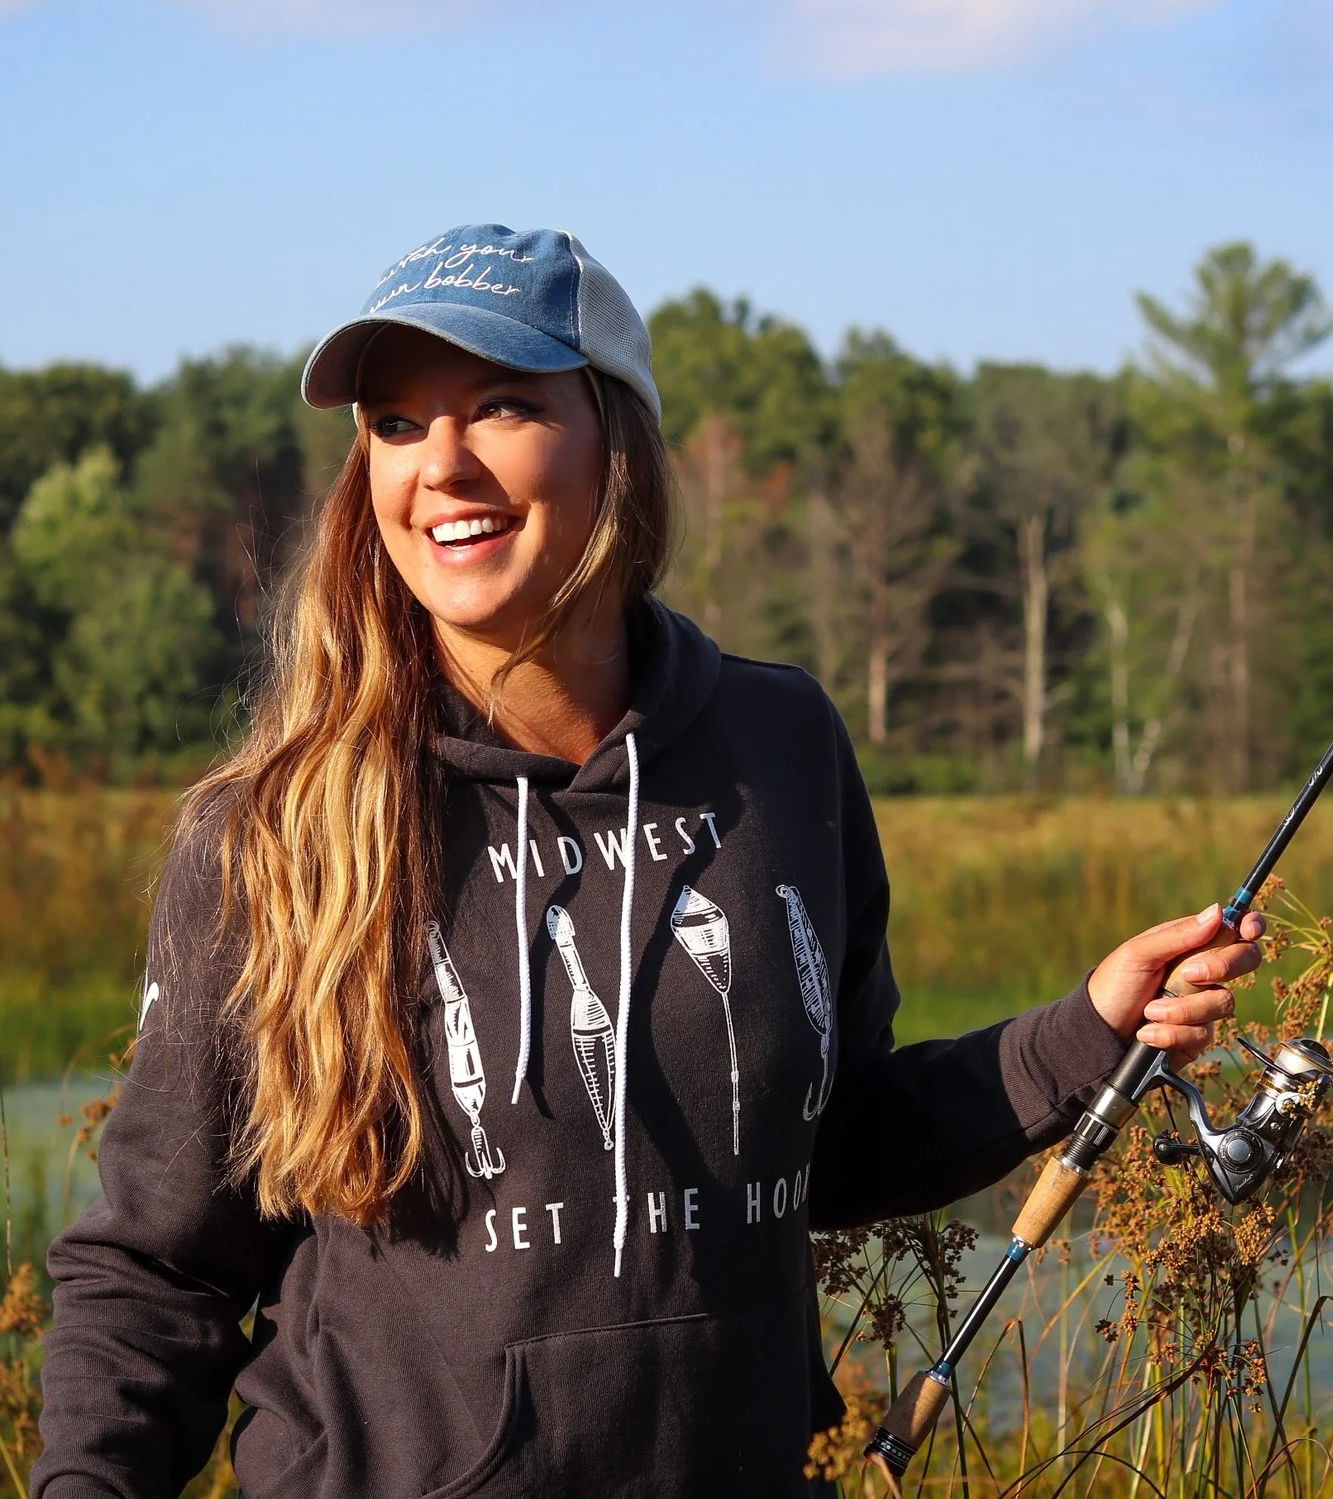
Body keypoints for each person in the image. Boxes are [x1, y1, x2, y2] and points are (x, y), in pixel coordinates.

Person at [33, 225, 1261, 1499]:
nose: (440, 463)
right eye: (395, 423)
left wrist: (1083, 1030)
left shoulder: (780, 743)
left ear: (613, 437)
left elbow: (829, 1137)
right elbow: (157, 1270)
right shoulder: (271, 830)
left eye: (502, 404)